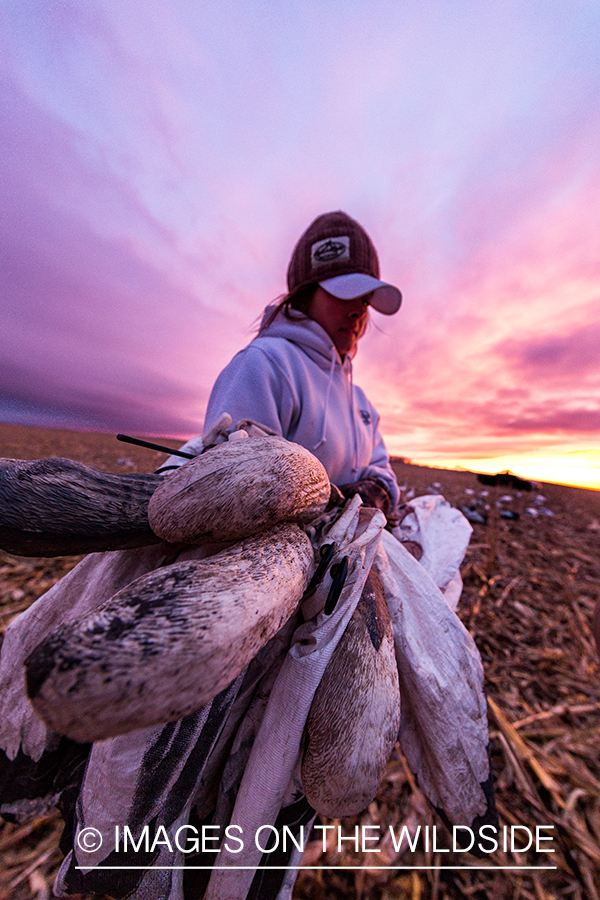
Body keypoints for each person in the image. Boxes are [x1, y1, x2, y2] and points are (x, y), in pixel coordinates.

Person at [170, 210, 403, 522]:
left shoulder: (360, 403)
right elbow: (234, 485)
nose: (357, 312)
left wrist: (376, 491)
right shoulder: (266, 364)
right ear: (305, 294)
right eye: (343, 294)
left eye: (364, 300)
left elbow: (381, 469)